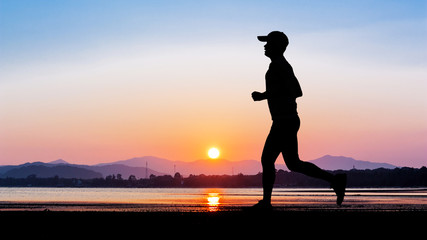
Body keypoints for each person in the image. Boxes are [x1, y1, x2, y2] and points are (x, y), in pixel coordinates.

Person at [251, 31, 347, 209]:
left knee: (267, 159)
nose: (265, 46)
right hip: (286, 120)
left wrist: (263, 95)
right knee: (293, 163)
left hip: (284, 121)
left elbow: (296, 91)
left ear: (277, 46)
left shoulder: (280, 66)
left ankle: (266, 203)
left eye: (268, 43)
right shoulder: (279, 65)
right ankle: (335, 180)